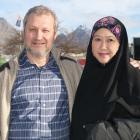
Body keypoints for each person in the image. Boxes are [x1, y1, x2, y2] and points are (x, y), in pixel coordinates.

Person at [0, 5, 82, 140]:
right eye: (32, 30)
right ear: (23, 32)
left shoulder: (72, 69)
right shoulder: (5, 74)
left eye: (45, 30)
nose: (39, 36)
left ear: (54, 34)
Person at [70, 16, 140, 140]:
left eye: (110, 40)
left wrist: (104, 133)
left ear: (121, 44)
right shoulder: (86, 77)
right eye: (97, 39)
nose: (103, 46)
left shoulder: (134, 79)